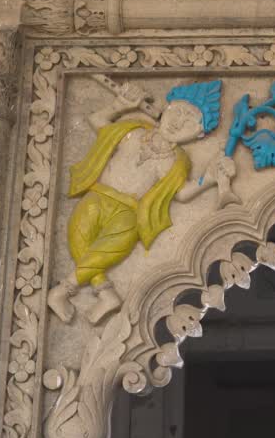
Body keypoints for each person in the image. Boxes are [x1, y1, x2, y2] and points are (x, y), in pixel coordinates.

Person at [48, 80, 235, 324]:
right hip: (99, 194)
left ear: (200, 134)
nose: (179, 122)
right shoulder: (133, 131)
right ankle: (105, 293)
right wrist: (120, 105)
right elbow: (97, 120)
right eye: (178, 111)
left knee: (112, 248)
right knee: (78, 235)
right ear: (166, 108)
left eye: (190, 120)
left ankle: (63, 290)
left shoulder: (176, 161)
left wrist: (208, 177)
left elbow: (180, 193)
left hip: (129, 212)